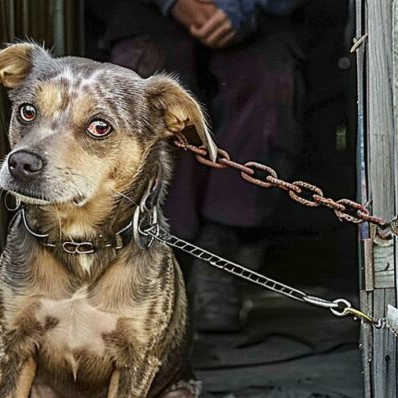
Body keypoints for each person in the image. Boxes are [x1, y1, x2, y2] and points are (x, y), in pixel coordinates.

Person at [84, 0, 307, 332]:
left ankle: (220, 250)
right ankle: (162, 250)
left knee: (268, 81)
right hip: (145, 18)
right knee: (140, 88)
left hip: (261, 18)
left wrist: (242, 8)